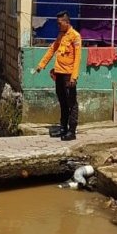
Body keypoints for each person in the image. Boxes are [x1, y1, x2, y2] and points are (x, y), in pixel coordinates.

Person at [35, 10, 82, 141]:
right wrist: (41, 65)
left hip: (68, 75)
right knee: (62, 101)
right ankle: (63, 128)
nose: (58, 26)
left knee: (71, 103)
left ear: (67, 22)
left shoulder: (75, 36)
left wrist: (74, 77)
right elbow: (52, 49)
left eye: (60, 23)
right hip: (59, 74)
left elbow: (78, 58)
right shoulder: (61, 35)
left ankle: (72, 131)